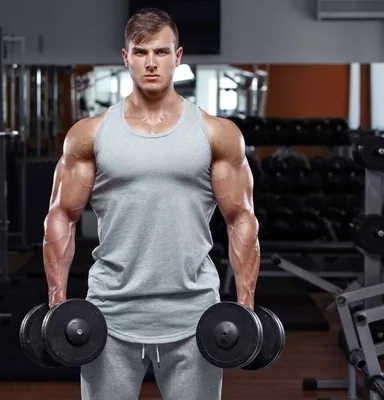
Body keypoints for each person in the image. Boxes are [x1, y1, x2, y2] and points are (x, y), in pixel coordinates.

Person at [43, 7, 260, 400]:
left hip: (194, 316)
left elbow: (241, 218)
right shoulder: (89, 135)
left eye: (161, 52)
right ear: (125, 58)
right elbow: (61, 215)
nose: (151, 63)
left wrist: (243, 307)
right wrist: (57, 302)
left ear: (178, 57)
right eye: (141, 52)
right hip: (110, 314)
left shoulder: (217, 133)